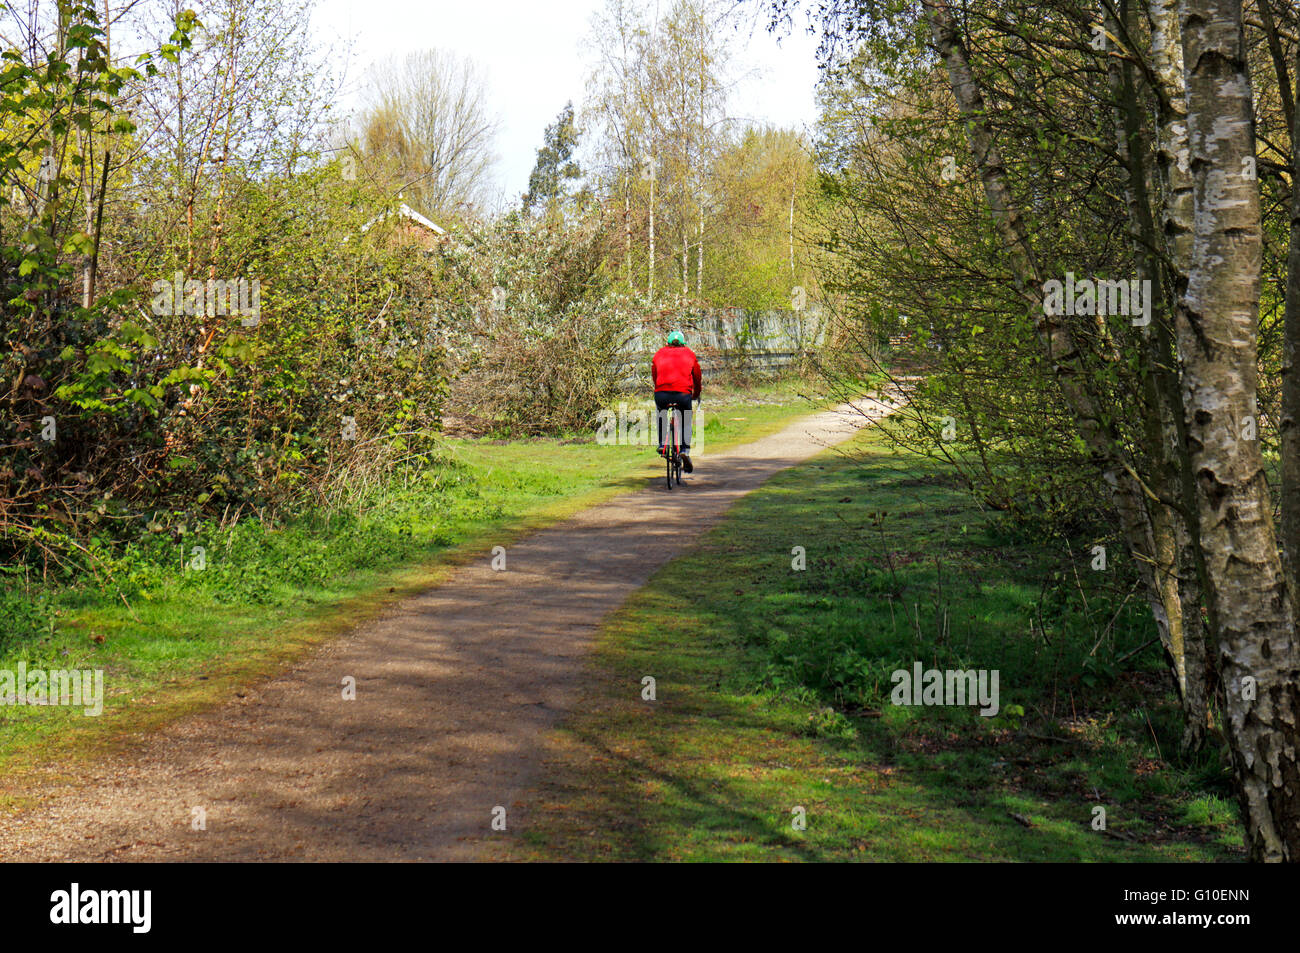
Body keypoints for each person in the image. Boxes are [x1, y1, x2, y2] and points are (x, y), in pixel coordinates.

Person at [651, 329, 702, 472]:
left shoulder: (659, 353)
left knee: (661, 413)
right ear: (683, 343)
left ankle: (662, 444)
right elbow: (697, 376)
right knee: (686, 418)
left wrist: (659, 388)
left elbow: (654, 374)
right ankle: (684, 449)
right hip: (683, 394)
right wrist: (696, 393)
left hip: (662, 393)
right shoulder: (689, 353)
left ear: (667, 343)